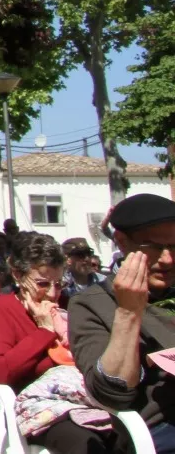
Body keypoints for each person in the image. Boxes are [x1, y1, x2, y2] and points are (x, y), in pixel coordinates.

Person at [0, 233, 112, 454]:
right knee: (86, 443)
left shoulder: (69, 304)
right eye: (42, 283)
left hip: (85, 398)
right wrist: (44, 331)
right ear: (18, 275)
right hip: (37, 408)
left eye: (59, 283)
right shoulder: (3, 306)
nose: (53, 294)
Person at [70, 193, 175, 452]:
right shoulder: (92, 304)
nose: (168, 259)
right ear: (122, 242)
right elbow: (112, 393)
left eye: (174, 246)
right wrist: (129, 312)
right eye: (153, 247)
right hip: (160, 431)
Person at [62, 237, 107, 302]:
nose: (87, 258)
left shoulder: (103, 281)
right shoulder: (61, 286)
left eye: (89, 253)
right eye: (80, 254)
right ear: (67, 259)